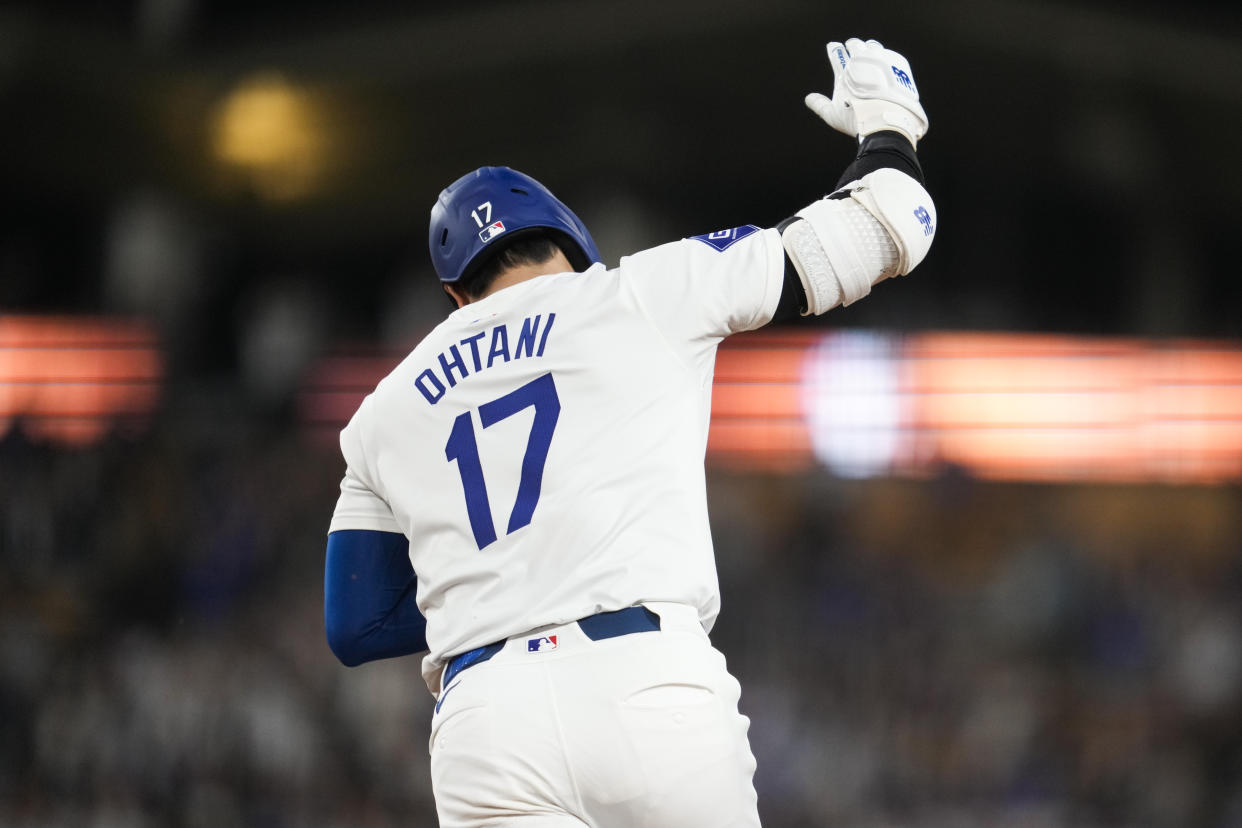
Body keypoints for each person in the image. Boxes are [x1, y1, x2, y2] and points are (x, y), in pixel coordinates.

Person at [323, 37, 935, 827]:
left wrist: (502, 591)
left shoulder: (382, 409)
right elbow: (892, 225)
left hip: (483, 722)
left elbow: (355, 623)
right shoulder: (634, 292)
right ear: (574, 243)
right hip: (641, 680)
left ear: (455, 291)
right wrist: (889, 133)